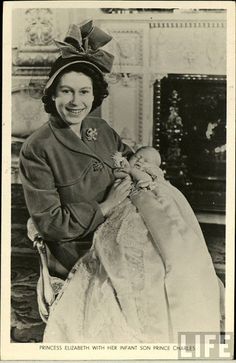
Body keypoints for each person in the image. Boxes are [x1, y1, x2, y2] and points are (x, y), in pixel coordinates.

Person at [42, 146, 223, 343]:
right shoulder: (125, 167)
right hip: (126, 204)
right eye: (138, 156)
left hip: (146, 201)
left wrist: (132, 171)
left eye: (145, 160)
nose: (139, 161)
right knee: (121, 236)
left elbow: (143, 179)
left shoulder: (148, 175)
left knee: (166, 238)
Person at [20, 21, 133, 278]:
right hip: (78, 247)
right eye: (66, 91)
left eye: (84, 92)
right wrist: (105, 207)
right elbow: (51, 224)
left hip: (122, 232)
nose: (75, 101)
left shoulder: (101, 128)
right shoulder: (37, 148)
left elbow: (128, 161)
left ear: (94, 96)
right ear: (52, 95)